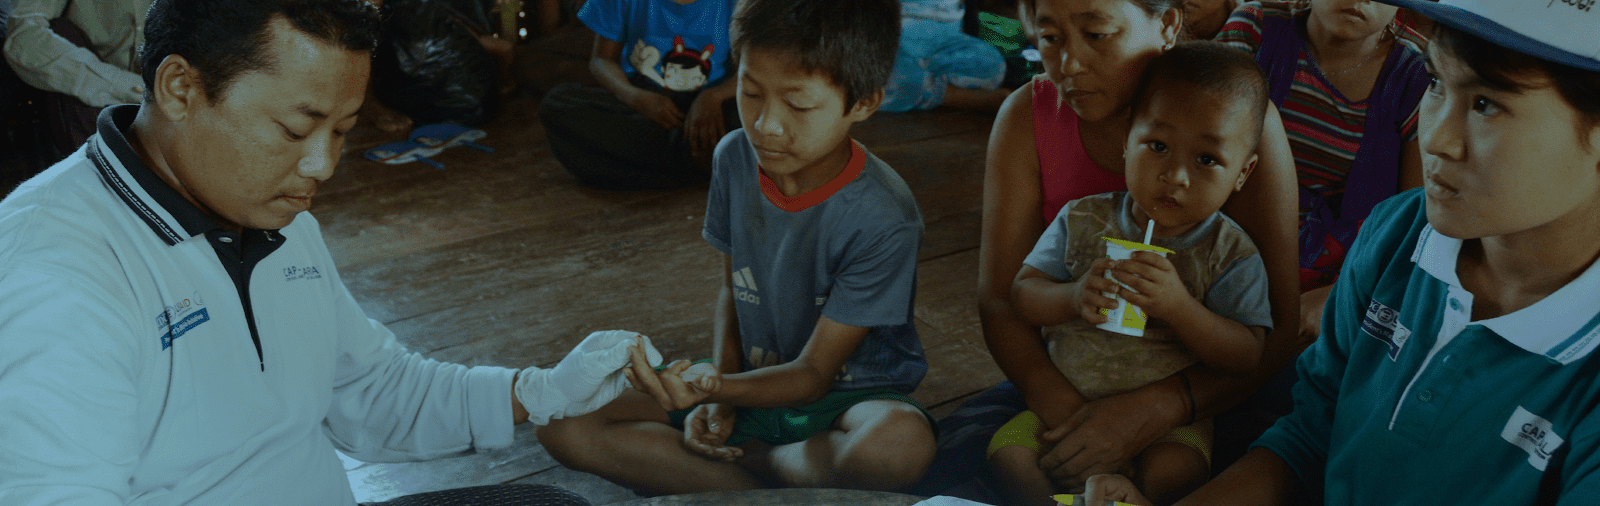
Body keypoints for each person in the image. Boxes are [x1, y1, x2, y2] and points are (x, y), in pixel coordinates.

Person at [0, 1, 658, 504]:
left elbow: (369, 392)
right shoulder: (56, 273)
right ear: (179, 89)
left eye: (342, 130)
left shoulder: (270, 209)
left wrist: (542, 391)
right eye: (294, 129)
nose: (322, 165)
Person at [1084, 0, 1600, 504]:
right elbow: (1311, 436)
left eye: (1487, 104)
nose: (1436, 137)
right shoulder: (1397, 237)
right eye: (1437, 83)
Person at [538, 0, 938, 494]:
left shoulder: (883, 216)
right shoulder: (733, 158)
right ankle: (780, 483)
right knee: (561, 416)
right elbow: (734, 290)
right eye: (750, 93)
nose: (766, 125)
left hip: (843, 401)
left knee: (897, 447)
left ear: (863, 103)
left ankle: (754, 472)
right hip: (750, 381)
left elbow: (814, 375)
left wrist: (718, 387)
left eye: (798, 104)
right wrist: (721, 394)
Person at [917, 0, 1301, 499]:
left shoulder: (1231, 118)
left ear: (1166, 24)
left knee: (1263, 471)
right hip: (1068, 383)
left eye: (1096, 34)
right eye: (1050, 38)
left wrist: (1152, 411)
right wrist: (1074, 418)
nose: (1070, 65)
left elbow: (1274, 331)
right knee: (961, 459)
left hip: (1202, 397)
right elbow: (1001, 300)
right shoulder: (1028, 118)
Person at [987, 41, 1273, 506]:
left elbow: (1246, 354)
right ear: (1127, 143)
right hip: (1064, 405)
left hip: (1168, 429)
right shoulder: (1083, 219)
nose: (1176, 175)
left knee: (1174, 473)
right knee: (1009, 458)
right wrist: (1073, 295)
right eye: (1157, 146)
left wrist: (1180, 309)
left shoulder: (1230, 253)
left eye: (1207, 160)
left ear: (1243, 174)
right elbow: (1023, 293)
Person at [1216, 0, 1430, 340]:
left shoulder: (1416, 74)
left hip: (1335, 272)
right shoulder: (1257, 28)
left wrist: (1336, 294)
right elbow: (1197, 150)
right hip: (1226, 240)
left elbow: (1412, 218)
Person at [537, 0, 742, 190]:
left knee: (752, 118)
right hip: (648, 106)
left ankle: (669, 166)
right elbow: (601, 60)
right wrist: (635, 97)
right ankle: (700, 159)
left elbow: (757, 70)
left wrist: (714, 97)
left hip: (714, 112)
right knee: (557, 104)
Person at [3, 0, 148, 156]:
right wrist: (122, 85)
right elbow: (24, 36)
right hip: (95, 99)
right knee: (60, 30)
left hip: (166, 95)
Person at [880, 0, 1010, 112]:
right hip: (890, 44)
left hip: (943, 45)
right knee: (870, 80)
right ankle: (957, 96)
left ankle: (917, 85)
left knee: (993, 66)